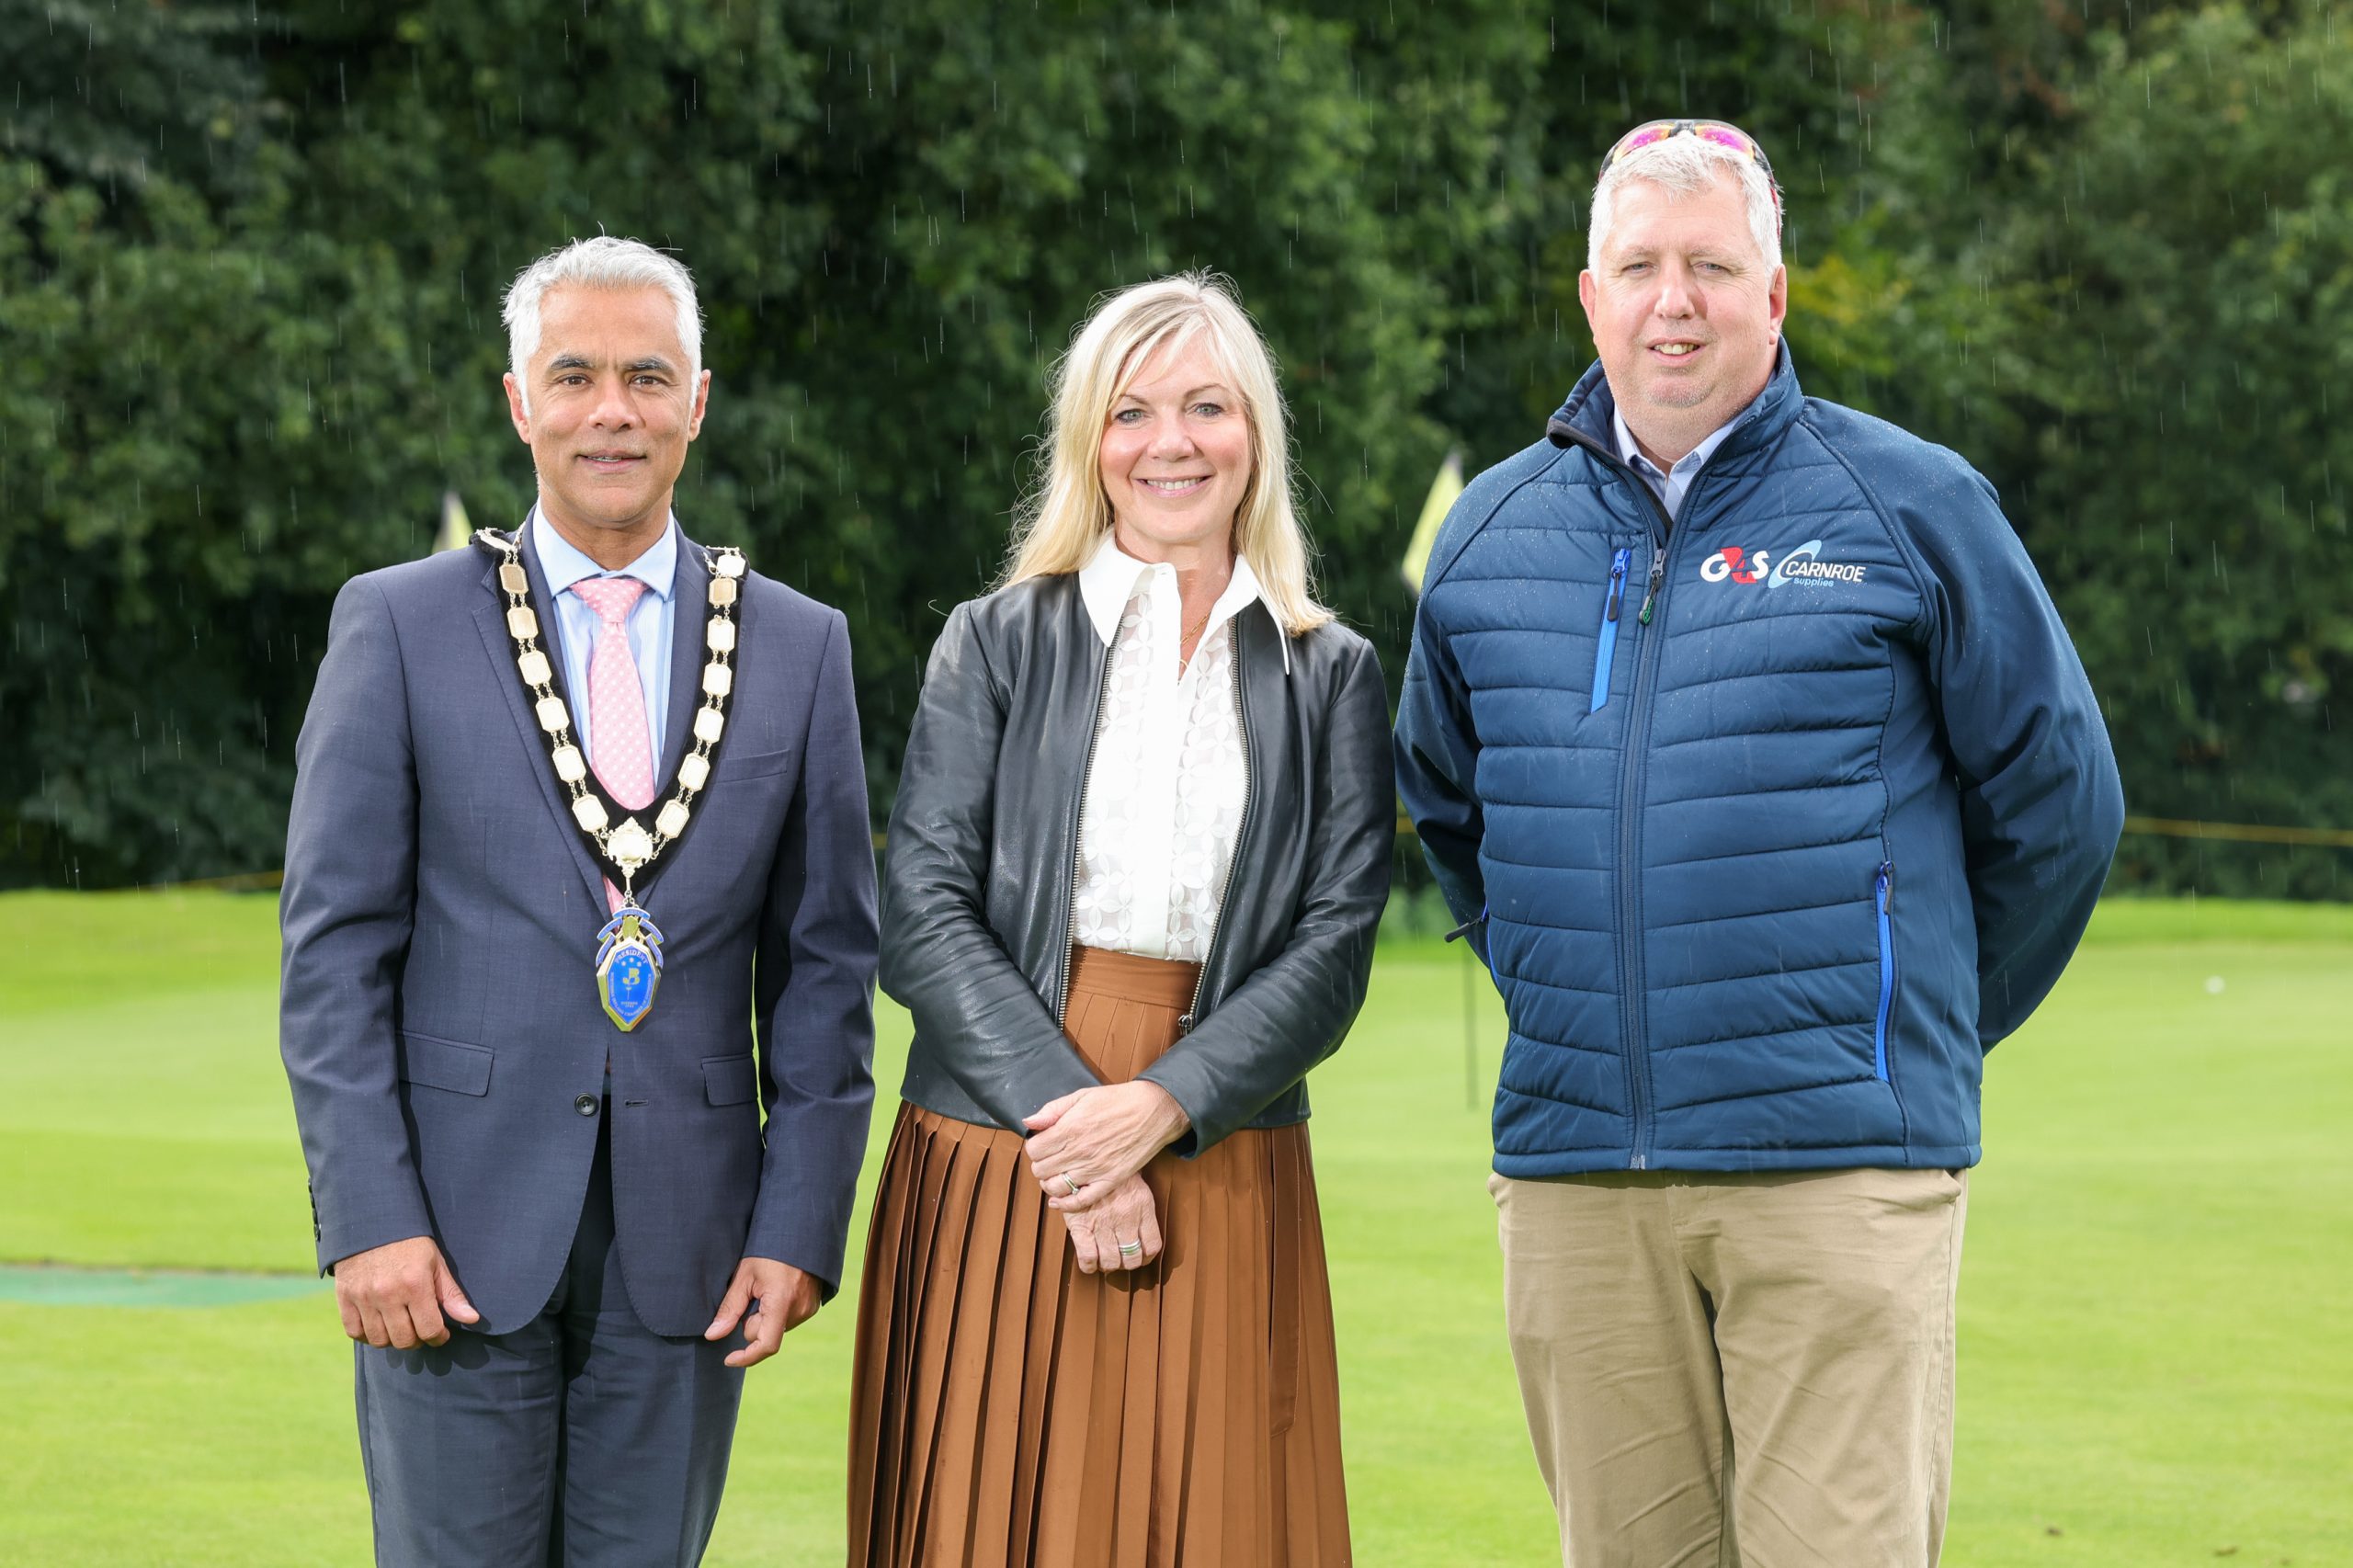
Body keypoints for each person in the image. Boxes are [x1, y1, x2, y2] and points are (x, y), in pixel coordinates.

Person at [1394, 120, 2125, 1567]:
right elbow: (1451, 811)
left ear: (1774, 295)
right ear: (1590, 297)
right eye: (1641, 267)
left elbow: (2061, 801)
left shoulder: (1909, 503)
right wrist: (1579, 999)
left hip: (1836, 1172)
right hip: (1579, 1180)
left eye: (1713, 266)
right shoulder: (1488, 535)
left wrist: (1910, 1020)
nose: (1675, 300)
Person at [279, 235, 879, 1566]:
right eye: (576, 376)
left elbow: (827, 971)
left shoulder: (798, 645)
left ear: (697, 402)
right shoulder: (398, 625)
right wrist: (368, 1217)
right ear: (519, 402)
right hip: (448, 1237)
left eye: (647, 378)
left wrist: (799, 1225)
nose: (613, 410)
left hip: (692, 1248)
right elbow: (333, 956)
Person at [849, 272, 1391, 1567]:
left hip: (1224, 1135)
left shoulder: (1332, 672)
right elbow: (921, 911)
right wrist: (1079, 1134)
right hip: (1003, 1139)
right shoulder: (993, 640)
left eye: (1207, 406)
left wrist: (1162, 1106)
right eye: (1132, 411)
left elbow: (1334, 948)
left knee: (1216, 1526)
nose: (1171, 443)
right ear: (1090, 440)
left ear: (1254, 433)